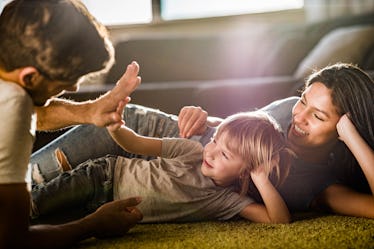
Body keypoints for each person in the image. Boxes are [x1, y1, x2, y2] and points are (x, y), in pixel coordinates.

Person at [31, 63, 374, 219]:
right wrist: (202, 116)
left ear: (343, 128)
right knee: (22, 184)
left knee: (38, 207)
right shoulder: (286, 109)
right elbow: (231, 128)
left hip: (148, 182)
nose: (298, 118)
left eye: (318, 116)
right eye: (303, 101)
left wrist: (352, 137)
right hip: (152, 132)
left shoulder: (322, 186)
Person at [0, 1, 143, 248]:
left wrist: (91, 111)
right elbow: (13, 241)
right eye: (68, 79)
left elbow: (31, 114)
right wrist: (92, 225)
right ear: (30, 76)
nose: (73, 88)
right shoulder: (14, 104)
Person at [31, 110, 294, 224]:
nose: (211, 151)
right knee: (34, 205)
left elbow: (279, 220)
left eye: (224, 153)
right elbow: (136, 144)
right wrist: (115, 127)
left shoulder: (227, 200)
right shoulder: (193, 150)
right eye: (214, 140)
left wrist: (260, 177)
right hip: (102, 177)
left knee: (49, 221)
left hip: (109, 210)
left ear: (244, 171)